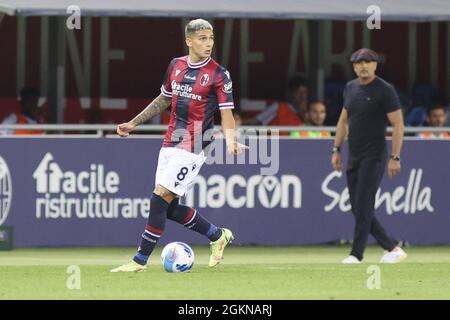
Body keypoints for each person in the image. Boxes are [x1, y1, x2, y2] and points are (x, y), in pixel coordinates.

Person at [111, 19, 248, 273]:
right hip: (172, 139)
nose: (208, 44)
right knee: (169, 207)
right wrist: (133, 123)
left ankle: (139, 260)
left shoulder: (219, 73)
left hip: (197, 141)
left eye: (211, 38)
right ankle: (218, 235)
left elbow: (227, 111)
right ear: (189, 40)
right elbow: (164, 98)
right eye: (202, 38)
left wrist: (230, 137)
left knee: (159, 197)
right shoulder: (176, 65)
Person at [331, 48, 408, 264]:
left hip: (374, 157)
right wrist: (336, 149)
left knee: (363, 206)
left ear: (375, 65)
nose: (363, 66)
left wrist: (395, 157)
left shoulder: (385, 90)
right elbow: (343, 121)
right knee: (358, 207)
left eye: (367, 62)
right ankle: (392, 248)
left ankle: (356, 254)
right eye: (358, 62)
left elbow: (398, 124)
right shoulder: (350, 88)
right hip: (353, 155)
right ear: (353, 66)